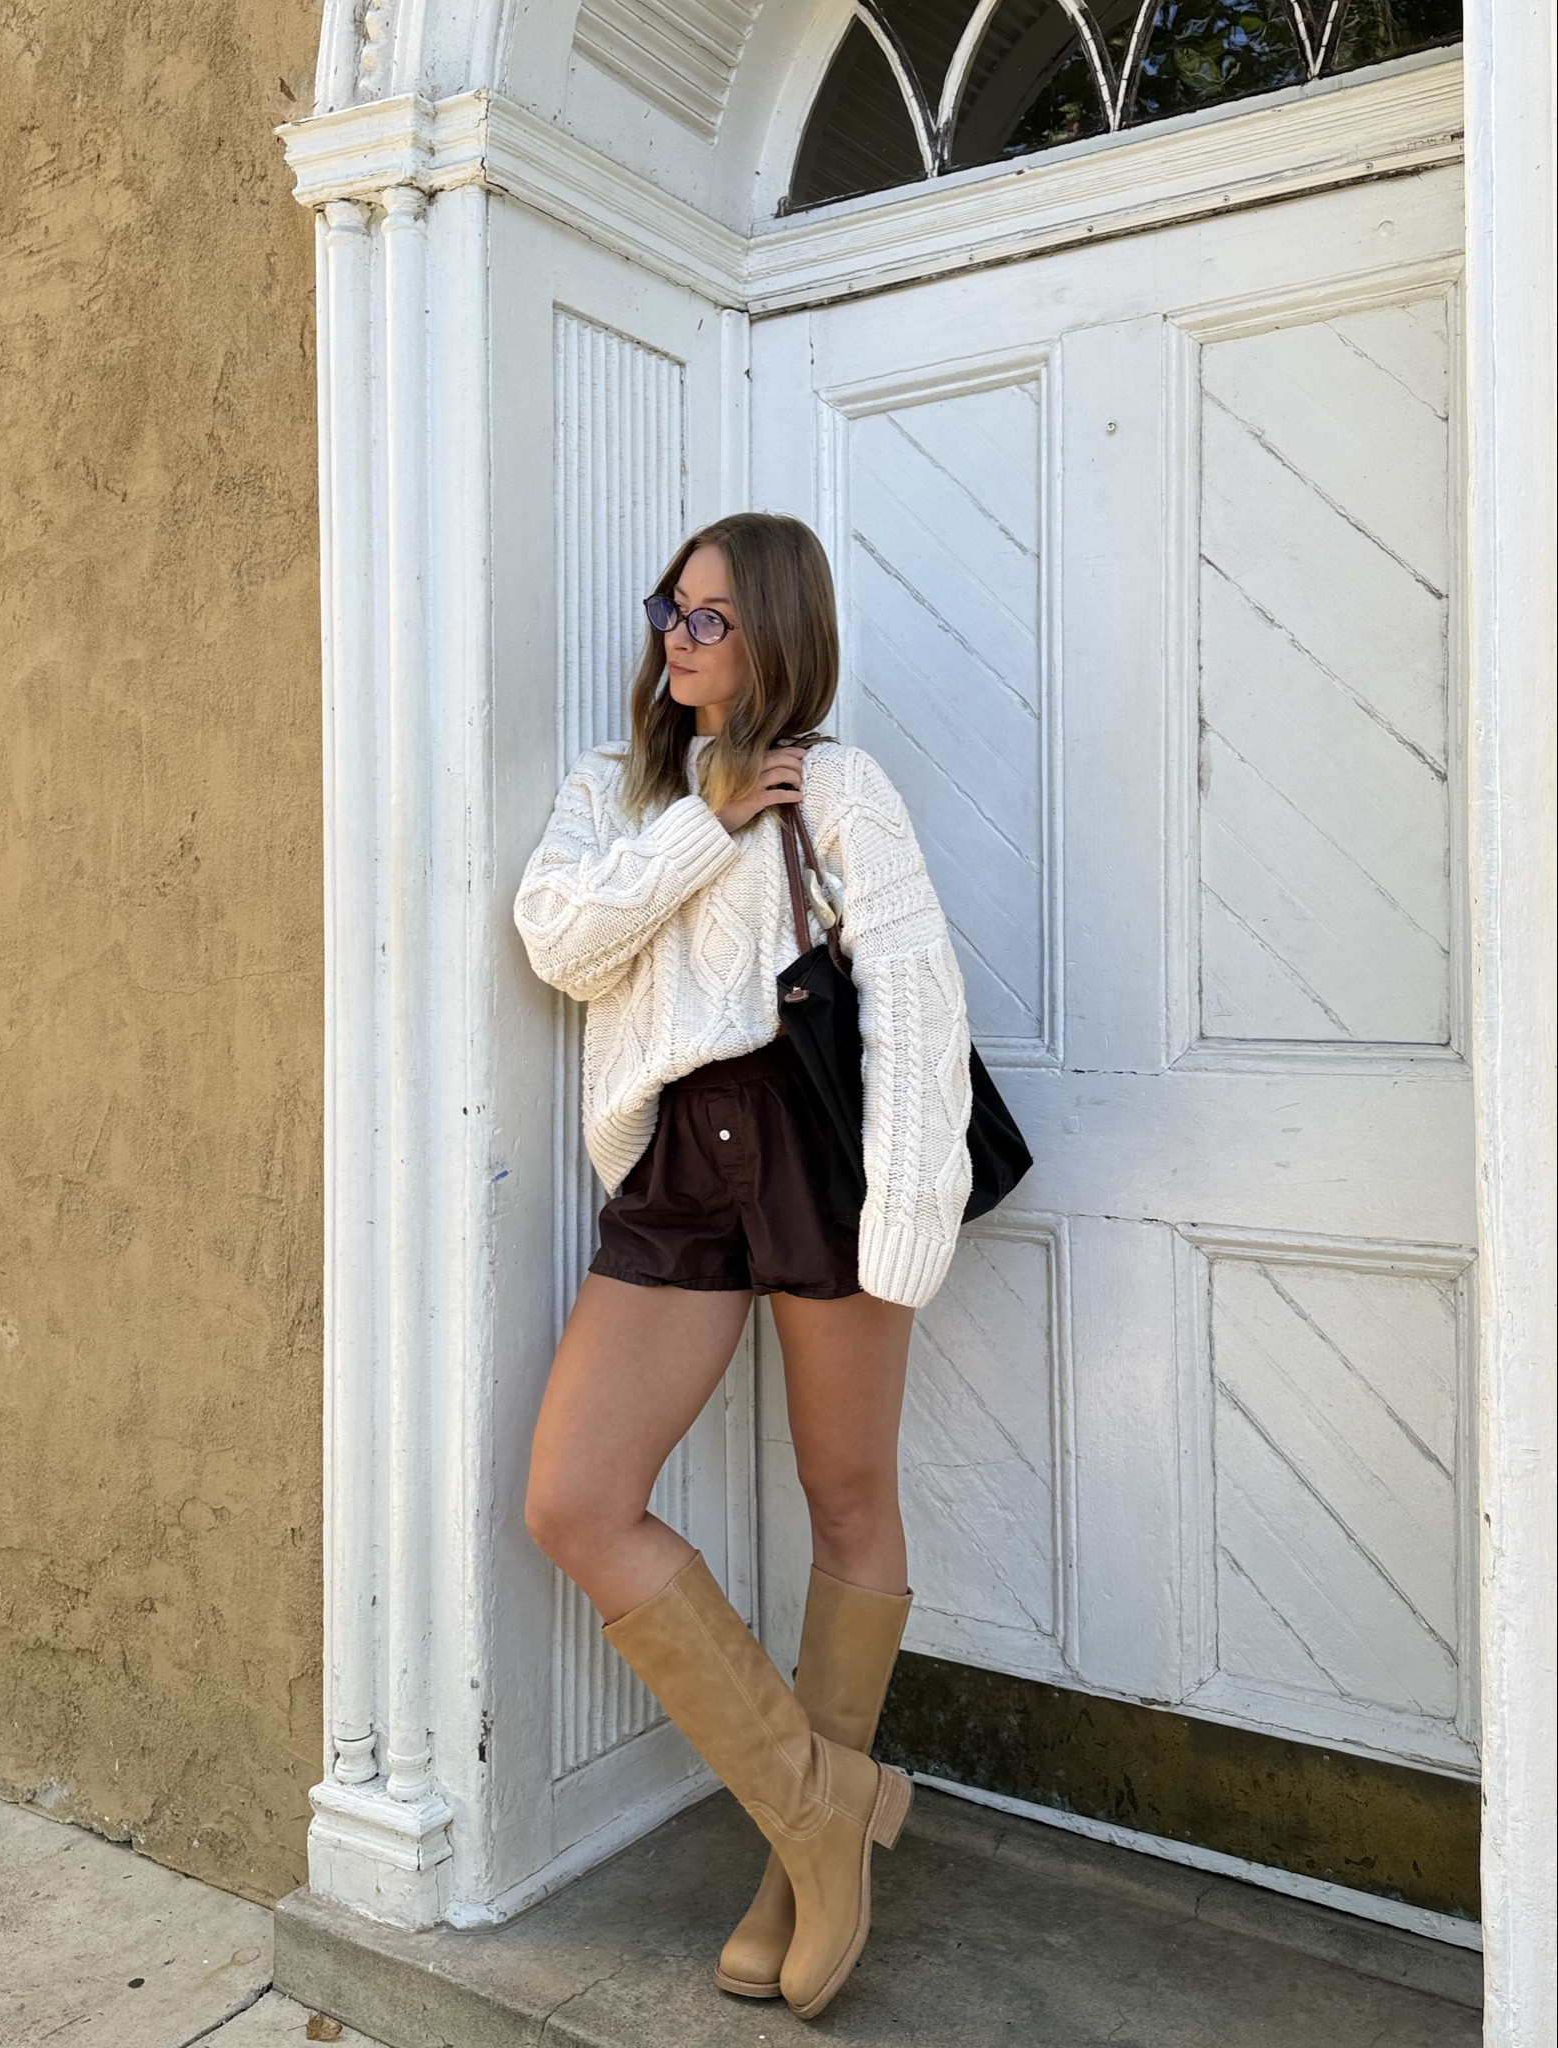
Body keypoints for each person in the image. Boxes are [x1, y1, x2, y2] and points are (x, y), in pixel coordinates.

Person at [514, 511, 972, 2020]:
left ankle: (794, 1870)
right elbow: (562, 946)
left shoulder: (837, 783)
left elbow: (913, 1000)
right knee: (575, 1501)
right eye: (670, 609)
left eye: (710, 617)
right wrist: (703, 818)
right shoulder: (617, 788)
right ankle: (816, 1805)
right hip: (672, 1170)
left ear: (777, 632)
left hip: (814, 1154)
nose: (676, 637)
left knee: (848, 1498)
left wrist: (906, 1223)